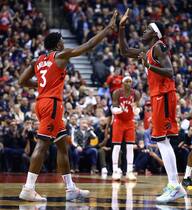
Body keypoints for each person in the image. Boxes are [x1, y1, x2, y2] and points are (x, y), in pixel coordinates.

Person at [17, 11, 118, 202]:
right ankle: (28, 188)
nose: (64, 43)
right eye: (62, 40)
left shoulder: (36, 61)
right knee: (42, 144)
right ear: (57, 45)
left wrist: (41, 85)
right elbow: (88, 45)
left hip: (41, 103)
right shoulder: (61, 56)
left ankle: (71, 189)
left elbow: (22, 81)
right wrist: (107, 30)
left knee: (62, 146)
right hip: (52, 105)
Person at [118, 9, 186, 203]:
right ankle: (174, 184)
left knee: (163, 141)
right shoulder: (147, 51)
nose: (143, 30)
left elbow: (170, 71)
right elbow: (124, 51)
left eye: (148, 28)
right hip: (158, 96)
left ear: (155, 34)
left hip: (164, 95)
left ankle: (175, 185)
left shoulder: (159, 46)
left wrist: (149, 67)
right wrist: (121, 28)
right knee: (161, 141)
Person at [111, 76, 140, 181]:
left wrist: (135, 109)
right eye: (127, 81)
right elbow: (113, 108)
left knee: (130, 147)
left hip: (129, 122)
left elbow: (138, 110)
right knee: (117, 147)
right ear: (122, 83)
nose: (129, 83)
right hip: (119, 121)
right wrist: (120, 109)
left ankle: (129, 171)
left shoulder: (136, 93)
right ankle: (115, 170)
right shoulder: (117, 93)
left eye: (130, 81)